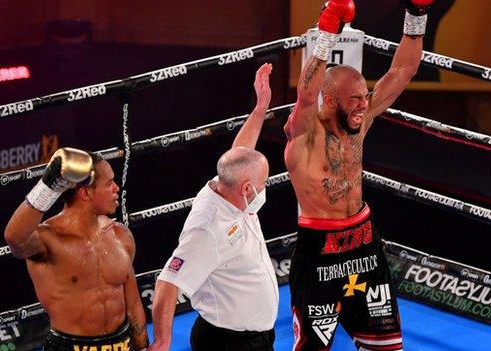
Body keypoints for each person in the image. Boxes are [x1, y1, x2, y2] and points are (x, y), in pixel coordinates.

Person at [283, 0, 432, 349]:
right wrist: (326, 32)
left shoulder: (361, 121)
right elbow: (305, 98)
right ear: (331, 100)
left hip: (364, 243)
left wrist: (417, 13)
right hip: (319, 253)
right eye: (354, 99)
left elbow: (403, 70)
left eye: (365, 96)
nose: (364, 105)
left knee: (385, 346)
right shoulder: (305, 138)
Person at [150, 63, 278, 351]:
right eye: (263, 184)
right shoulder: (208, 228)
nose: (264, 189)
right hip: (227, 343)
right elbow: (167, 283)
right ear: (246, 188)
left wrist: (260, 108)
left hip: (254, 338)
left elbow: (240, 154)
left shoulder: (227, 185)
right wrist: (162, 341)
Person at [4, 148, 149, 351]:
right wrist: (48, 186)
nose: (117, 188)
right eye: (109, 184)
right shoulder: (49, 240)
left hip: (122, 344)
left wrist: (142, 347)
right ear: (85, 193)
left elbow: (133, 305)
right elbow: (14, 239)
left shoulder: (119, 235)